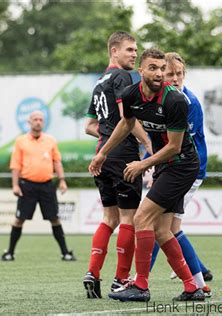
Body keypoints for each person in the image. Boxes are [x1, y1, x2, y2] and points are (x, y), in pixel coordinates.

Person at [89, 48, 205, 302]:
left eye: (163, 69)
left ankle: (141, 285)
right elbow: (126, 124)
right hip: (167, 165)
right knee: (163, 230)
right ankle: (192, 287)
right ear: (141, 71)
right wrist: (102, 154)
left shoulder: (174, 101)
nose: (160, 74)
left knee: (142, 218)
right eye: (153, 68)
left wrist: (142, 165)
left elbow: (174, 147)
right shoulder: (131, 94)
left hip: (182, 165)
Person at [82, 31, 151, 299]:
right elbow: (129, 120)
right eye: (129, 50)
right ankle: (121, 279)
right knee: (128, 219)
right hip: (123, 156)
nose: (134, 54)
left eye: (135, 50)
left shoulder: (100, 81)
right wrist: (150, 146)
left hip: (102, 154)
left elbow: (90, 126)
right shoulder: (124, 77)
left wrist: (105, 138)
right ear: (114, 51)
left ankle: (92, 271)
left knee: (108, 218)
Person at [147, 52, 212, 296]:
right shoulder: (161, 98)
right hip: (172, 167)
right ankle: (199, 281)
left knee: (156, 225)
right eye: (170, 74)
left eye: (179, 74)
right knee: (169, 227)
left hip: (187, 170)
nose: (175, 78)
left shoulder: (188, 102)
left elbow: (180, 144)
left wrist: (146, 164)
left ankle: (139, 280)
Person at [1, 111, 76, 262]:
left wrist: (62, 180)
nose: (38, 122)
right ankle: (9, 253)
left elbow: (57, 161)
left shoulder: (50, 140)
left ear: (43, 122)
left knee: (55, 218)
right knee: (19, 219)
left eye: (41, 119)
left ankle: (65, 253)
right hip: (26, 186)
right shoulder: (20, 141)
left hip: (47, 186)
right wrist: (15, 185)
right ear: (29, 122)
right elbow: (15, 165)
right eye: (35, 119)